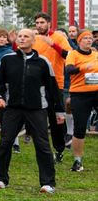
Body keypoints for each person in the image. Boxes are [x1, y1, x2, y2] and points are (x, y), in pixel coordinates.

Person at [0, 28, 65, 193]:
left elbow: (53, 89)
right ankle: (1, 179)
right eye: (20, 36)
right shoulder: (7, 60)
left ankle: (48, 183)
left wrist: (59, 111)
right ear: (16, 40)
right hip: (12, 108)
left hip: (37, 109)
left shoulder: (43, 62)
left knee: (42, 145)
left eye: (26, 36)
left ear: (33, 41)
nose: (22, 39)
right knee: (5, 143)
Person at [32, 12, 71, 162]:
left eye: (42, 22)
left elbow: (69, 55)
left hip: (56, 84)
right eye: (37, 23)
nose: (39, 25)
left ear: (49, 23)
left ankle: (59, 149)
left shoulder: (59, 37)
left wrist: (52, 44)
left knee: (56, 119)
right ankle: (42, 150)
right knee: (37, 118)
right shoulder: (33, 37)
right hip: (36, 84)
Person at [65, 29, 97, 172]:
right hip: (79, 94)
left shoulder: (96, 54)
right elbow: (69, 70)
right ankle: (77, 161)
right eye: (85, 38)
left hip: (96, 92)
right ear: (79, 41)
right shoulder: (73, 54)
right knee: (80, 128)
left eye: (91, 38)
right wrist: (84, 67)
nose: (89, 40)